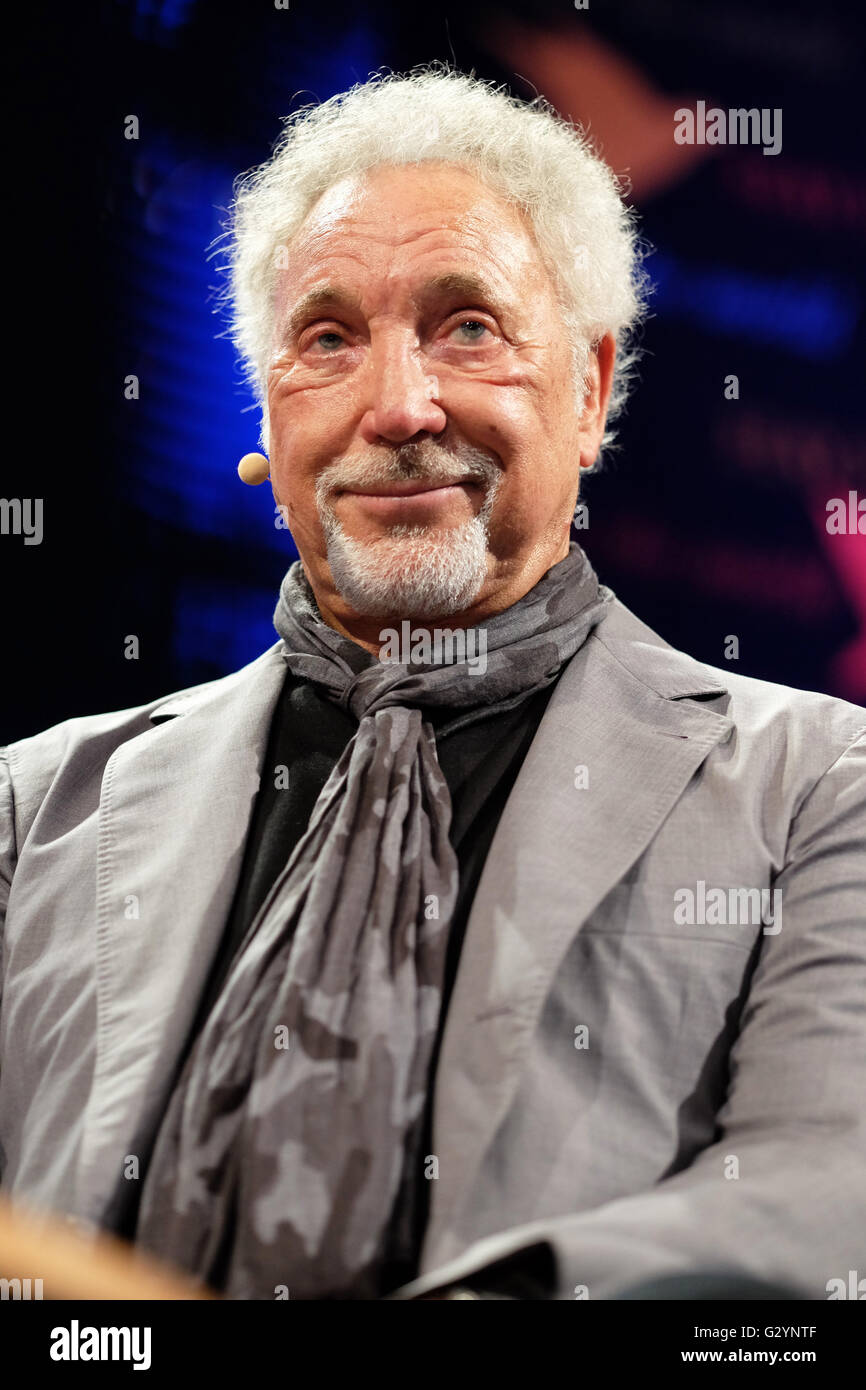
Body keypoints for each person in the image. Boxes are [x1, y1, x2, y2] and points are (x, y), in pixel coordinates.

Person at [1, 66, 863, 1302]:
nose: (398, 407)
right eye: (328, 339)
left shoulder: (819, 792)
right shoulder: (31, 812)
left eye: (467, 326)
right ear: (265, 412)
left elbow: (825, 1195)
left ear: (588, 390)